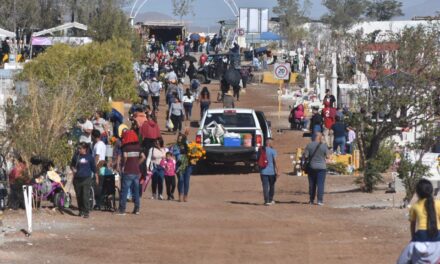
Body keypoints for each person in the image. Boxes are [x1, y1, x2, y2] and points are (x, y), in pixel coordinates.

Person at [397, 179, 440, 263]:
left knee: (402, 261)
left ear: (417, 193)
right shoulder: (438, 203)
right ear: (431, 191)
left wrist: (413, 239)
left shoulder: (415, 206)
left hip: (420, 237)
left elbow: (412, 224)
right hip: (437, 235)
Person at [118, 130, 146, 215]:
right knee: (136, 191)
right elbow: (143, 157)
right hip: (136, 171)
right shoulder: (138, 147)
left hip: (128, 171)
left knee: (124, 191)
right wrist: (137, 163)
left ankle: (122, 209)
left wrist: (123, 166)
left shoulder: (125, 147)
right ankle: (136, 209)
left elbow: (125, 157)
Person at [70, 142, 96, 218]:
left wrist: (96, 176)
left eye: (80, 148)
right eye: (78, 148)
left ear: (84, 149)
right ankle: (81, 210)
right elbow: (72, 165)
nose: (78, 149)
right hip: (77, 179)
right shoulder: (76, 156)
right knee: (79, 195)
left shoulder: (90, 157)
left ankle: (86, 211)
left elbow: (93, 168)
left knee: (85, 195)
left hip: (86, 178)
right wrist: (73, 169)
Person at [304, 132, 330, 205]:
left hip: (312, 167)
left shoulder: (309, 145)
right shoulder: (324, 146)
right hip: (322, 168)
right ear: (319, 137)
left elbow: (306, 156)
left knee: (312, 184)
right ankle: (319, 201)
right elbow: (328, 156)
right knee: (320, 184)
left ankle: (311, 200)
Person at [258, 138, 279, 206]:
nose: (272, 144)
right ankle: (270, 199)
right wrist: (277, 171)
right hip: (271, 172)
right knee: (272, 186)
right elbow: (275, 162)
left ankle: (266, 201)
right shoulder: (273, 151)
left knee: (265, 186)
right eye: (272, 142)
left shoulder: (261, 150)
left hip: (263, 171)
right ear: (269, 143)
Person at [92, 129, 106, 209]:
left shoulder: (97, 145)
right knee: (101, 184)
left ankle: (98, 203)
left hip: (98, 165)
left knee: (97, 185)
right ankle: (100, 202)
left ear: (93, 136)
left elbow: (97, 156)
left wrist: (94, 166)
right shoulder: (103, 144)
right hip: (103, 163)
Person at [176, 134, 192, 202]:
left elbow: (192, 151)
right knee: (181, 179)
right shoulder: (176, 146)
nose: (179, 139)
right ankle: (180, 195)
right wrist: (183, 157)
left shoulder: (188, 145)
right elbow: (177, 155)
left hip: (188, 165)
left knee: (186, 181)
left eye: (181, 138)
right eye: (178, 138)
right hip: (180, 165)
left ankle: (185, 196)